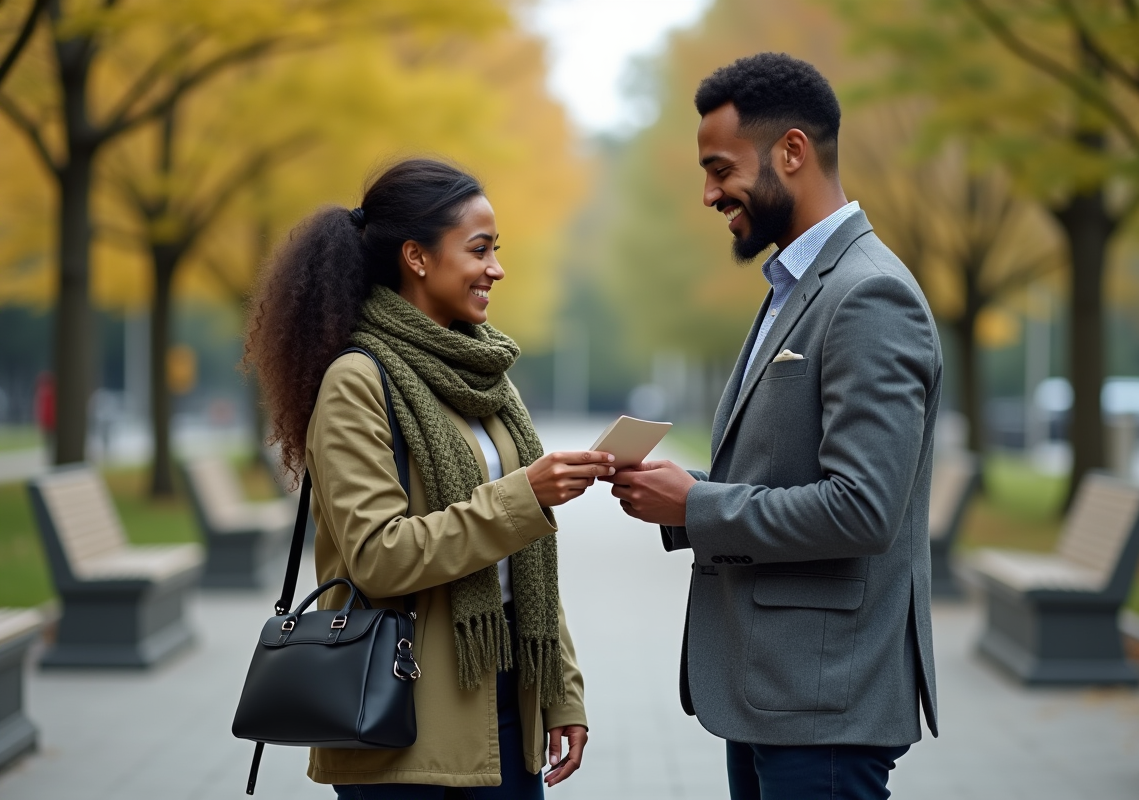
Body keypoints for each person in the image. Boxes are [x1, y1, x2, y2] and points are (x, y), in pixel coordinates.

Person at [604, 53, 942, 800]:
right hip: (777, 694)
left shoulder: (869, 295)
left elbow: (863, 509)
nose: (707, 194)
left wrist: (697, 505)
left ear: (791, 151)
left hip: (824, 705)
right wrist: (680, 495)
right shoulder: (796, 284)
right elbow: (787, 475)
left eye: (720, 169)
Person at [244, 158, 612, 799]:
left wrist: (563, 692)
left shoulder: (485, 375)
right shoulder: (357, 380)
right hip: (402, 716)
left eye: (496, 250)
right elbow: (378, 557)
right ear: (416, 256)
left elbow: (526, 559)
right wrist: (524, 496)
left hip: (506, 696)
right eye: (479, 249)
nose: (495, 268)